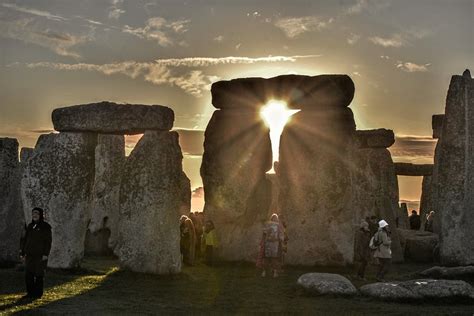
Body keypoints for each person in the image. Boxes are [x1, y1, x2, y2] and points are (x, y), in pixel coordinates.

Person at [20, 207, 52, 299]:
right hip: (29, 255)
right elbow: (25, 240)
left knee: (39, 275)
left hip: (40, 256)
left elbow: (48, 242)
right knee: (28, 275)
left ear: (41, 215)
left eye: (37, 213)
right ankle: (30, 293)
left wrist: (46, 254)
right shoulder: (30, 226)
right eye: (33, 213)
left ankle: (38, 294)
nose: (34, 215)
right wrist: (22, 253)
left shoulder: (45, 227)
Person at [258, 214, 284, 278]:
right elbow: (264, 233)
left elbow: (281, 234)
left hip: (275, 243)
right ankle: (264, 272)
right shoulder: (268, 225)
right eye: (273, 218)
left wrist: (280, 240)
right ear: (271, 219)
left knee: (274, 259)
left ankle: (274, 272)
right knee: (267, 259)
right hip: (268, 243)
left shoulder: (278, 226)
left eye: (275, 218)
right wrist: (263, 241)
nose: (274, 220)